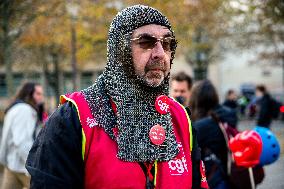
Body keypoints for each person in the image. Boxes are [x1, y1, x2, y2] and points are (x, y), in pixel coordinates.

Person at [26, 5, 208, 189]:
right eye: (146, 42)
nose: (160, 53)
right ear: (120, 51)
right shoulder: (74, 119)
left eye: (167, 43)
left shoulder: (180, 118)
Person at [189, 80, 238, 189]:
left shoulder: (199, 126)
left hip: (210, 180)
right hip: (229, 176)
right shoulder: (228, 116)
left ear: (195, 99)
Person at [0, 82, 44, 189]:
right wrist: (33, 165)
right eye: (37, 94)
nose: (40, 97)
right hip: (23, 167)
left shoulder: (15, 108)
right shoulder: (24, 110)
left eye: (41, 94)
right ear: (29, 93)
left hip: (12, 164)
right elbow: (22, 142)